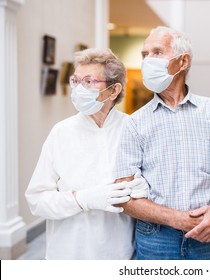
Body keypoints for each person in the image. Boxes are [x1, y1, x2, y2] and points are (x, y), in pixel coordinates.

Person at [115, 26, 210, 260]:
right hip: (157, 238)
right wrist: (176, 219)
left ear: (183, 61)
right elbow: (124, 196)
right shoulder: (134, 123)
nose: (147, 61)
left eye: (157, 52)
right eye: (144, 55)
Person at [25, 48, 148, 260]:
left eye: (89, 81)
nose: (79, 89)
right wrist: (82, 199)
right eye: (76, 80)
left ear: (113, 90)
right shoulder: (61, 132)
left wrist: (146, 189)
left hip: (119, 253)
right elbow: (36, 200)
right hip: (68, 253)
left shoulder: (134, 129)